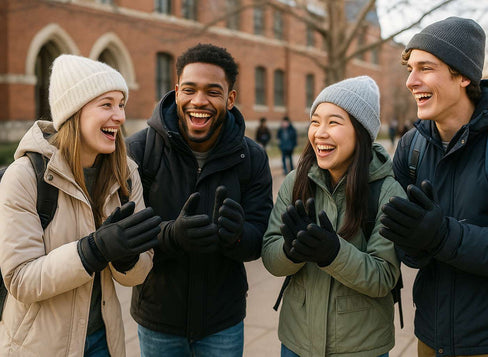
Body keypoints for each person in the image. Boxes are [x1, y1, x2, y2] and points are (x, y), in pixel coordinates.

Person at [379, 17, 488, 356]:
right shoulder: (411, 147)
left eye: (425, 68)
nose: (410, 81)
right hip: (428, 336)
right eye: (409, 68)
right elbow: (403, 246)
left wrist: (441, 235)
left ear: (463, 75)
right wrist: (416, 240)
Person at [0, 54, 161, 356]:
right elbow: (20, 280)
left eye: (121, 104)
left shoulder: (126, 174)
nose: (120, 116)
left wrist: (126, 259)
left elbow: (139, 273)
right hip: (37, 347)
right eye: (107, 104)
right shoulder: (24, 176)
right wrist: (93, 251)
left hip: (103, 341)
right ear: (74, 111)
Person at [126, 43, 273, 356]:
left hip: (223, 322)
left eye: (213, 92)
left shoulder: (252, 158)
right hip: (157, 319)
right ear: (177, 91)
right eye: (189, 89)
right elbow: (124, 237)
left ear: (230, 99)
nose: (199, 101)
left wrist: (237, 235)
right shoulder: (139, 151)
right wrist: (170, 235)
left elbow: (259, 239)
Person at [262, 76, 403, 357]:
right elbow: (269, 254)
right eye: (315, 121)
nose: (320, 132)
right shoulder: (295, 181)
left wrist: (333, 253)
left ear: (360, 132)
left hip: (361, 347)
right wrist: (290, 252)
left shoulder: (387, 190)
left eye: (334, 122)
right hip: (296, 341)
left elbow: (384, 277)